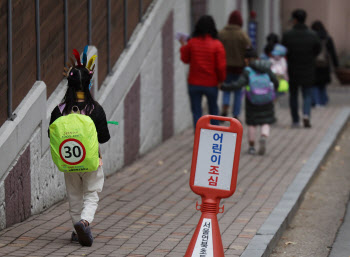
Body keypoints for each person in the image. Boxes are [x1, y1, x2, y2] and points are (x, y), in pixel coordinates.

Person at [49, 48, 110, 246]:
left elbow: (51, 135)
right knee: (92, 192)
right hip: (92, 160)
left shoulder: (59, 111)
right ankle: (84, 222)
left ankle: (77, 228)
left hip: (70, 162)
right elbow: (104, 138)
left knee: (74, 194)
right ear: (88, 84)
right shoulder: (95, 109)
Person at [221, 48, 278, 155]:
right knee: (266, 121)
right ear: (258, 58)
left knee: (252, 123)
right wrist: (274, 92)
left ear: (246, 60)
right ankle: (264, 136)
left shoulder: (247, 71)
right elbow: (275, 81)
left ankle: (251, 147)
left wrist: (224, 87)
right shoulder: (266, 68)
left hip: (252, 100)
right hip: (267, 99)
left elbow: (238, 84)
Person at [179, 15, 226, 128]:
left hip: (194, 83)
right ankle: (214, 136)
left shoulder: (192, 43)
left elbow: (185, 60)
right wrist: (221, 80)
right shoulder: (217, 45)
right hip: (211, 83)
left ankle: (198, 139)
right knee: (213, 110)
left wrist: (183, 46)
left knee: (196, 112)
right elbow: (221, 66)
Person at [282, 9, 321, 128]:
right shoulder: (313, 35)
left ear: (294, 20)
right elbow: (317, 50)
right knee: (307, 94)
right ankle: (306, 114)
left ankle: (295, 119)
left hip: (293, 69)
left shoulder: (288, 35)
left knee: (293, 94)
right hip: (308, 68)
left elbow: (283, 51)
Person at [218, 10, 251, 120]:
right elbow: (249, 48)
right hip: (239, 67)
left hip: (226, 67)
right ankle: (236, 114)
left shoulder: (222, 33)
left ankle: (225, 106)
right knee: (237, 91)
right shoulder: (242, 34)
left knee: (226, 88)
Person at [311, 20, 339, 107]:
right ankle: (323, 101)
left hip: (313, 64)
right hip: (325, 64)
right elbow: (333, 52)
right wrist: (336, 65)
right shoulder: (327, 38)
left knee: (314, 83)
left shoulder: (312, 37)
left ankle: (316, 101)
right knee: (322, 84)